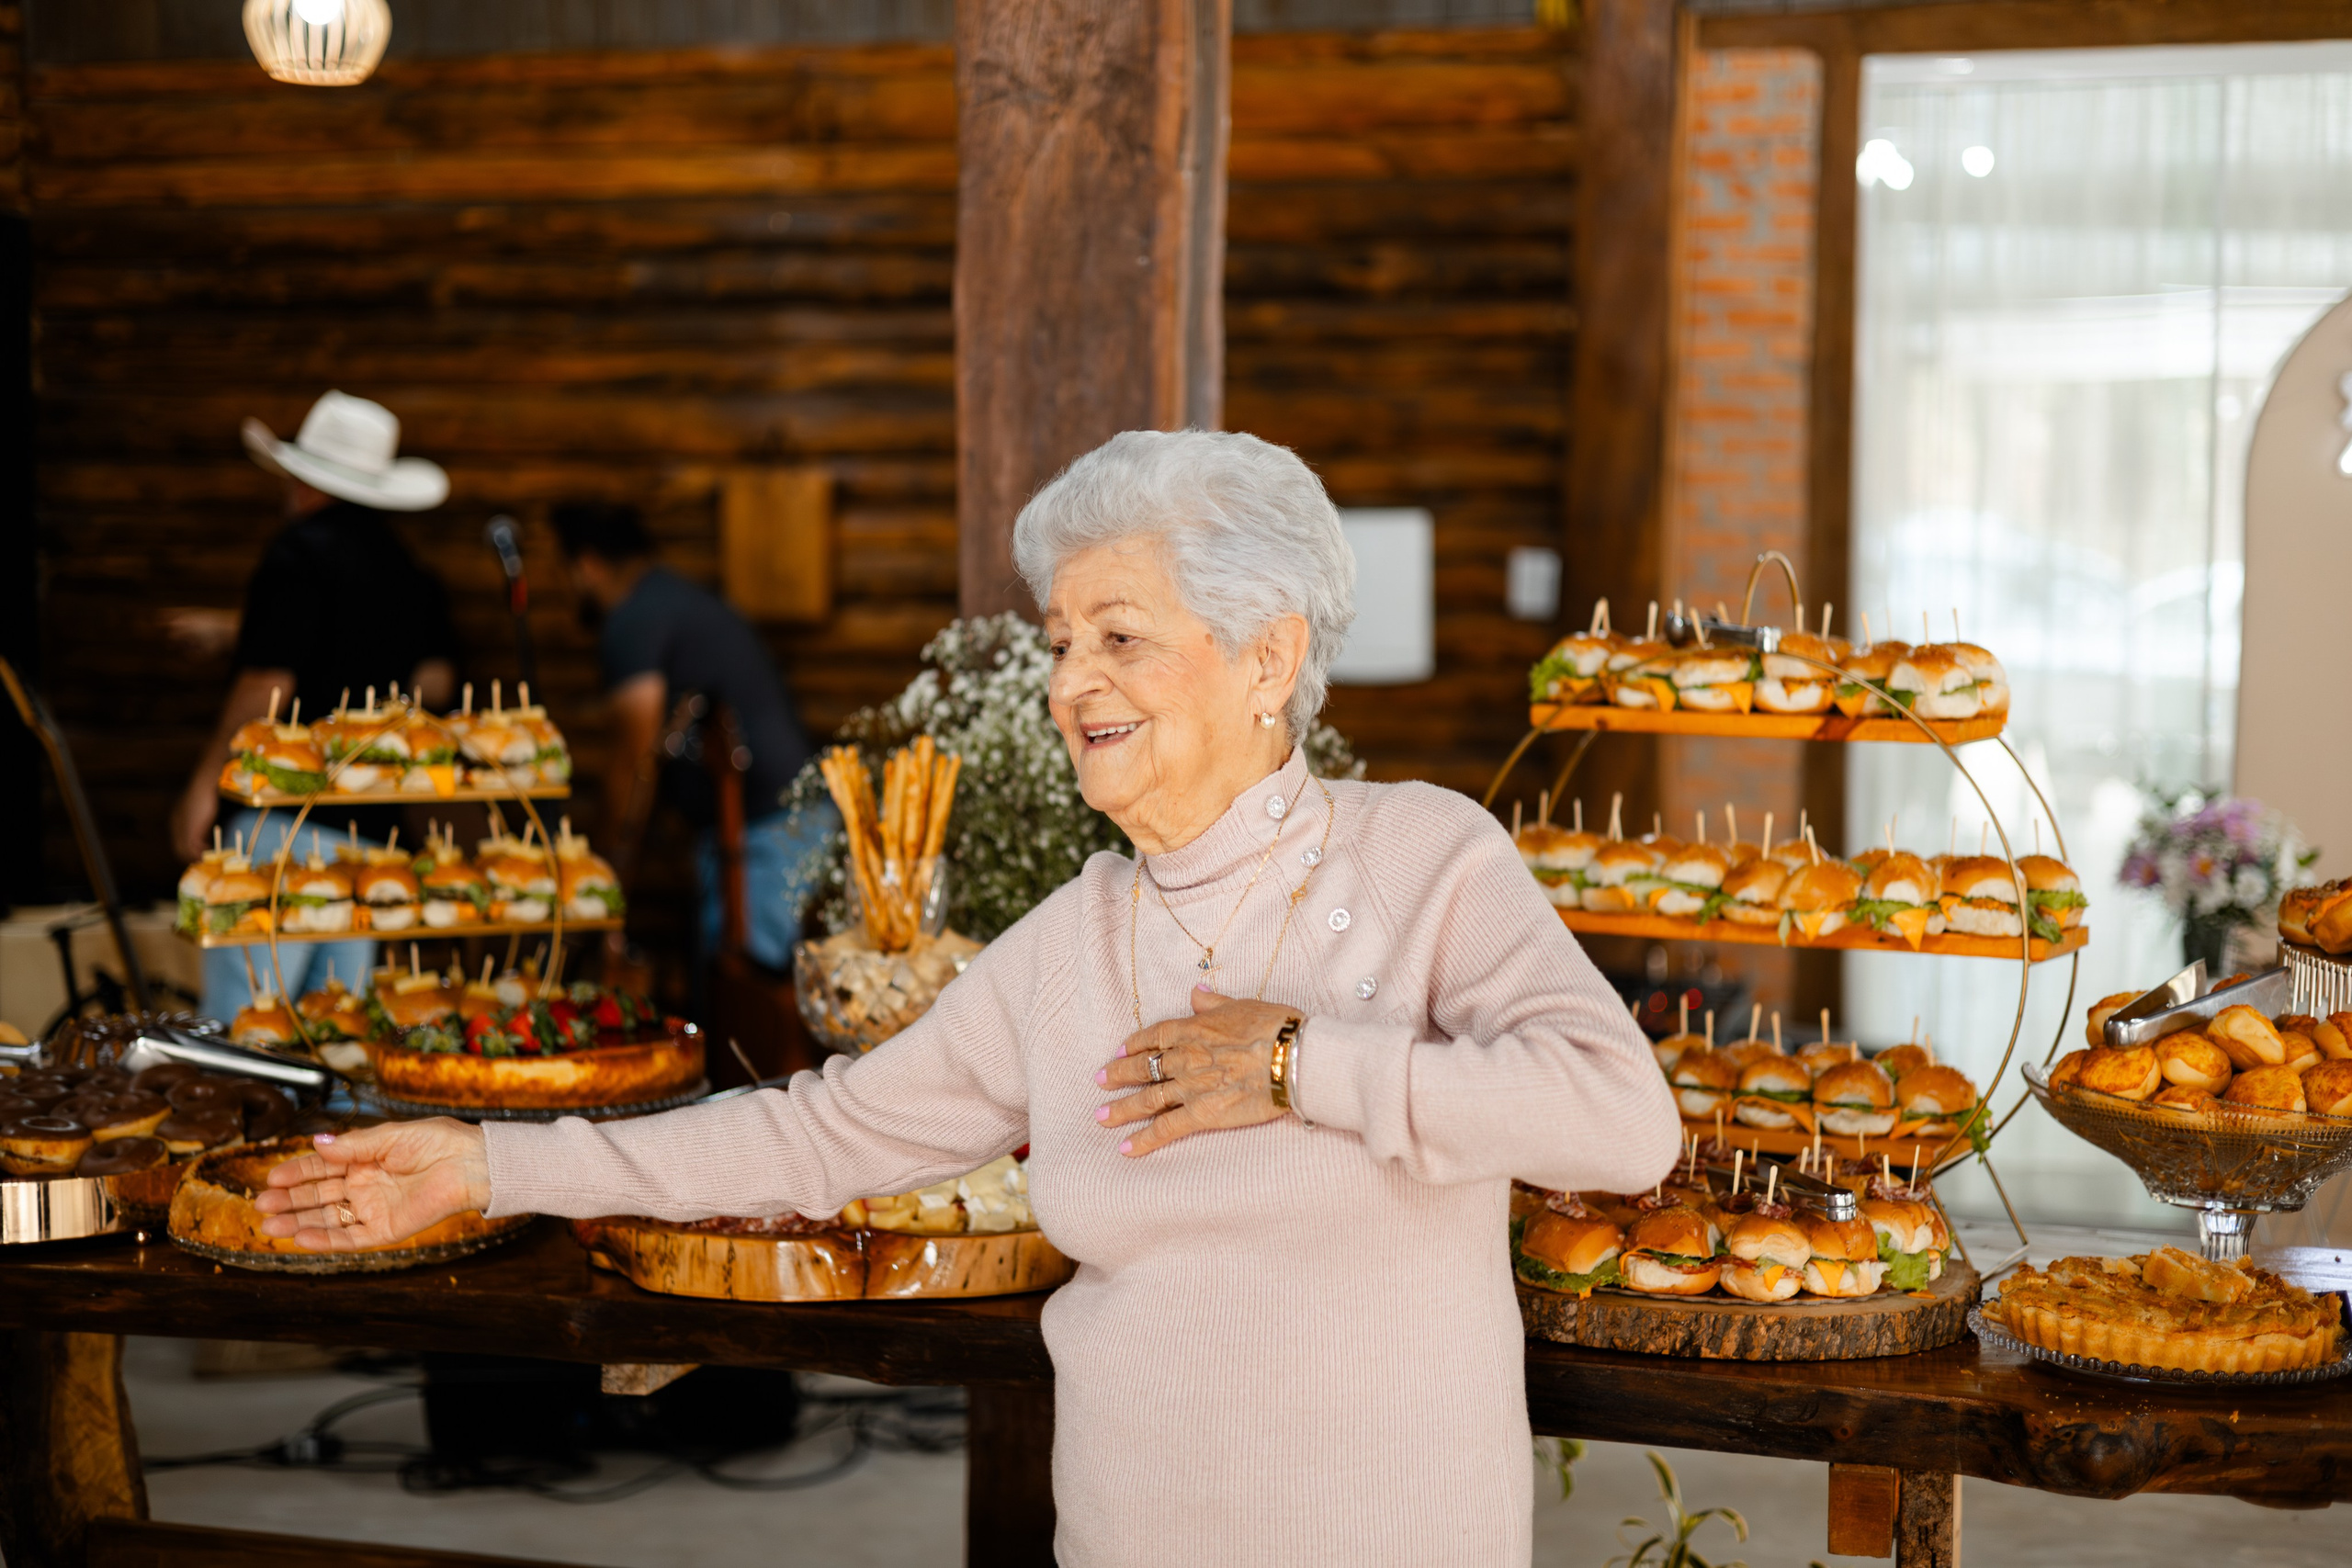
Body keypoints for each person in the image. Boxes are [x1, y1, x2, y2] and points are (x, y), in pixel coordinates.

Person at [258, 431, 1682, 1567]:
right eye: (1061, 641)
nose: (1072, 681)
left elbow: (1624, 1123)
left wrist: (1306, 1062)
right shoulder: (1074, 940)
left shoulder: (1427, 853)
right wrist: (487, 1160)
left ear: (1270, 655)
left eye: (1119, 635)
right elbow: (819, 1136)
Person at [172, 391, 457, 1021]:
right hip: (370, 829)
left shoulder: (296, 553)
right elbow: (434, 680)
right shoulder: (409, 571)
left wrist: (204, 783)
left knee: (247, 1023)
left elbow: (267, 685)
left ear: (303, 482)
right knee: (336, 1026)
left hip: (283, 822)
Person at [548, 502, 827, 975]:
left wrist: (600, 887)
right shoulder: (674, 601)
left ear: (588, 566)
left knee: (750, 1003)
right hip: (790, 823)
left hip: (765, 836)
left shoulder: (633, 619)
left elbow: (631, 761)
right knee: (753, 997)